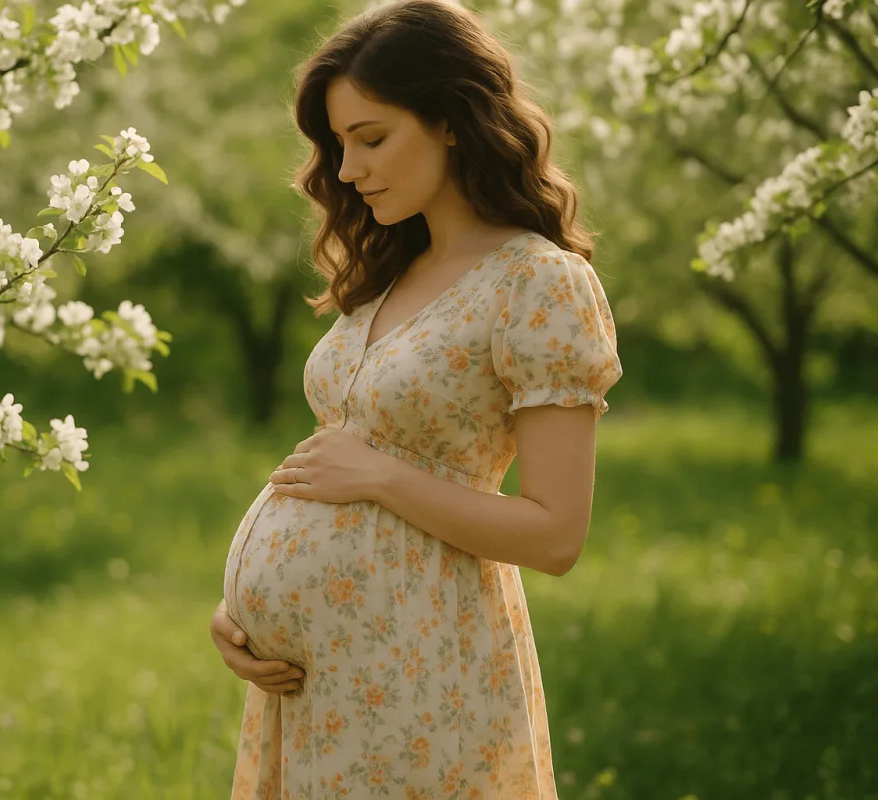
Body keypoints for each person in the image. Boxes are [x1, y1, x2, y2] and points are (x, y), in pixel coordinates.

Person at [209, 0, 623, 796]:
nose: (349, 169)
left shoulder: (538, 282)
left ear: (452, 121)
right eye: (338, 146)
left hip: (421, 671)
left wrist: (380, 479)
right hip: (313, 688)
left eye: (372, 138)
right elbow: (329, 469)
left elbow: (557, 536)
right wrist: (239, 612)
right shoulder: (387, 276)